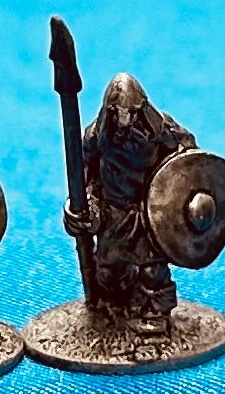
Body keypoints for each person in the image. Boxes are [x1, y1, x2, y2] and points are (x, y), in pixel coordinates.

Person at [64, 73, 196, 337]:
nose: (125, 117)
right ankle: (121, 304)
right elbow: (86, 169)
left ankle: (157, 314)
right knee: (108, 271)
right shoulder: (96, 134)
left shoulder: (162, 130)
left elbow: (189, 157)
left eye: (131, 111)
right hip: (113, 211)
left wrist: (177, 195)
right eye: (118, 111)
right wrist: (84, 203)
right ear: (109, 110)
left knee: (153, 268)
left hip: (148, 211)